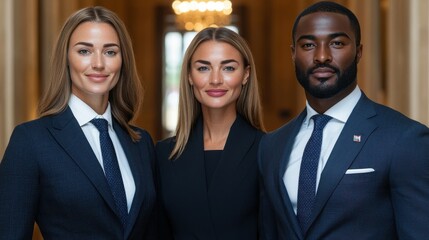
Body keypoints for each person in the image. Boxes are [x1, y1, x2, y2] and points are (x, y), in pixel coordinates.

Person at [258, 1, 429, 239]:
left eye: (337, 43)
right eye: (308, 45)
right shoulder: (271, 146)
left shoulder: (404, 139)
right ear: (293, 54)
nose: (322, 56)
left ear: (359, 52)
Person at [0, 6, 157, 239]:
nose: (98, 64)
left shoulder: (141, 142)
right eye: (84, 51)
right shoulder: (30, 141)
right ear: (66, 58)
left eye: (110, 52)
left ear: (123, 60)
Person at [156, 27, 265, 239]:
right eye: (203, 68)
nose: (215, 79)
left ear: (246, 75)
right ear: (189, 75)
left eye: (228, 68)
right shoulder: (163, 154)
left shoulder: (268, 150)